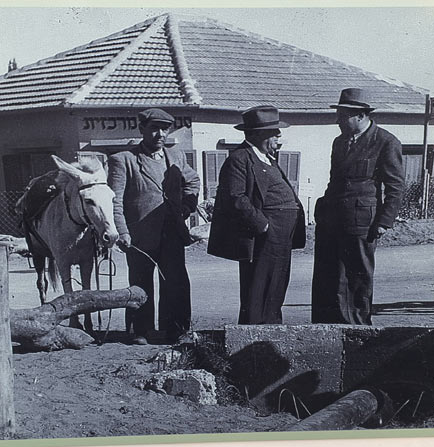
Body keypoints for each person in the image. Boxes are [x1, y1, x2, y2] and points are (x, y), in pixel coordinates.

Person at [311, 88, 405, 325]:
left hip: (362, 222)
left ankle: (359, 328)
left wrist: (385, 222)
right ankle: (332, 326)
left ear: (361, 115)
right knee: (332, 277)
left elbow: (396, 186)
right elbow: (335, 181)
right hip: (332, 220)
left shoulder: (386, 142)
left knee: (358, 278)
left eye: (343, 116)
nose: (338, 121)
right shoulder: (339, 142)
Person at [108, 108, 200, 345]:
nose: (160, 134)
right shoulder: (123, 160)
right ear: (142, 130)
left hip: (172, 232)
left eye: (165, 129)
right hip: (139, 235)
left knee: (176, 281)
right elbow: (115, 200)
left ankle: (177, 330)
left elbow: (193, 182)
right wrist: (123, 232)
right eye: (154, 129)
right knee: (141, 282)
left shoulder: (176, 156)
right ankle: (141, 330)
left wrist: (186, 208)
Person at [207, 105, 306, 324]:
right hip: (265, 235)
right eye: (274, 132)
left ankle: (270, 328)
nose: (278, 137)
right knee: (259, 287)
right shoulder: (240, 159)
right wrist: (263, 225)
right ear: (258, 134)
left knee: (277, 284)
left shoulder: (267, 158)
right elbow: (235, 197)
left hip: (282, 235)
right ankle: (253, 334)